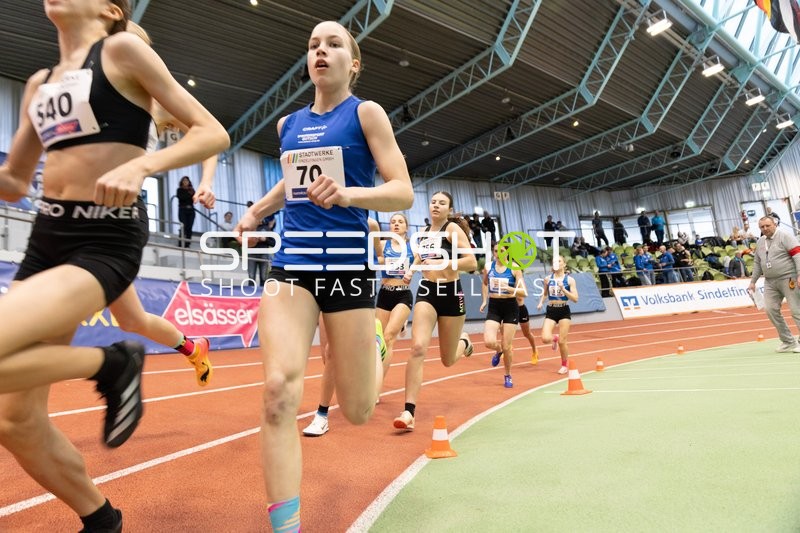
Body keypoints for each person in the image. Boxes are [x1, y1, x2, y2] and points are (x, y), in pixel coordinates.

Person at [0, 2, 229, 532]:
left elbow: (212, 132)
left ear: (110, 9)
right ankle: (102, 521)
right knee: (14, 420)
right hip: (46, 239)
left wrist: (145, 165)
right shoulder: (40, 83)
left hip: (104, 236)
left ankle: (110, 363)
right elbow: (15, 182)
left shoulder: (123, 50)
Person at [234, 20, 413, 533]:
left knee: (357, 409)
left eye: (334, 44)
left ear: (352, 64)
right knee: (278, 390)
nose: (321, 50)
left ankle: (375, 342)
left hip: (348, 266)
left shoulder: (365, 113)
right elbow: (290, 184)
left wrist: (348, 194)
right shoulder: (288, 125)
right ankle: (286, 526)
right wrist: (255, 212)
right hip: (293, 265)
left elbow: (402, 190)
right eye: (314, 44)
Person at [394, 191, 477, 431]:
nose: (436, 206)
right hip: (428, 291)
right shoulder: (424, 233)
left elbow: (471, 262)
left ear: (449, 209)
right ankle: (409, 412)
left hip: (451, 294)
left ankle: (464, 342)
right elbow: (419, 258)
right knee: (418, 347)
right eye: (433, 202)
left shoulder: (452, 230)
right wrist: (410, 271)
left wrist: (444, 262)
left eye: (442, 203)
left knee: (447, 360)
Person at [302, 219, 388, 438]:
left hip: (354, 285)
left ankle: (321, 415)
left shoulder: (369, 224)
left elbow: (380, 257)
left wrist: (364, 260)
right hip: (323, 284)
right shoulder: (317, 219)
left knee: (332, 353)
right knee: (328, 359)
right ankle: (373, 344)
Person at [748, 216, 800, 353]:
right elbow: (757, 263)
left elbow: (797, 255)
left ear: (774, 224)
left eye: (768, 225)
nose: (765, 229)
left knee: (796, 310)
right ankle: (788, 341)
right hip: (770, 281)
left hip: (789, 278)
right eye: (762, 227)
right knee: (770, 309)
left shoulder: (785, 236)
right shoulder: (760, 242)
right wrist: (753, 281)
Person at [480, 242, 527, 388]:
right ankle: (498, 350)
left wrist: (509, 288)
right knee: (489, 342)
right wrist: (484, 300)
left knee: (507, 346)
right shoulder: (488, 267)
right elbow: (485, 283)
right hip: (494, 306)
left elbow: (523, 292)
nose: (498, 254)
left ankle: (507, 375)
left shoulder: (514, 268)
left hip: (510, 307)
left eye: (501, 251)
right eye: (495, 251)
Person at [537, 256, 578, 374]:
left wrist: (563, 289)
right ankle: (554, 337)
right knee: (545, 339)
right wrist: (541, 302)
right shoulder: (547, 279)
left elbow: (575, 299)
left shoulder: (570, 280)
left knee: (562, 341)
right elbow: (545, 293)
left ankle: (564, 365)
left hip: (564, 310)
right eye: (554, 261)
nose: (556, 263)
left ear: (564, 264)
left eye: (559, 261)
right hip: (551, 310)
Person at [248, 213, 276, 286]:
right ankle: (250, 292)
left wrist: (265, 240)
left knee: (263, 278)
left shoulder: (266, 228)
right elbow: (243, 241)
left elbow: (274, 243)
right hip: (251, 254)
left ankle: (262, 292)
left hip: (264, 255)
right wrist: (252, 240)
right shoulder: (250, 228)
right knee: (251, 278)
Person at [516, 296, 539, 364]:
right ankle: (506, 348)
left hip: (520, 309)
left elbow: (520, 298)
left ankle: (535, 351)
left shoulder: (519, 287)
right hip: (510, 310)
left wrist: (511, 292)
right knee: (505, 330)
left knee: (527, 333)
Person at [176, 176, 196, 247]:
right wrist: (189, 195)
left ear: (189, 182)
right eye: (184, 180)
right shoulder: (179, 190)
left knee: (189, 227)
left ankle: (187, 244)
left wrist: (189, 195)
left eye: (187, 181)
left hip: (191, 210)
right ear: (182, 182)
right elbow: (181, 197)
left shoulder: (192, 190)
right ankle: (180, 243)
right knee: (183, 226)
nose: (185, 182)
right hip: (183, 210)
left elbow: (194, 199)